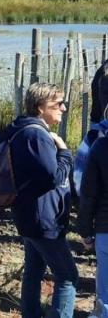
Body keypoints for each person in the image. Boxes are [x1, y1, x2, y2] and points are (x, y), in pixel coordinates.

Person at [5, 82, 76, 318]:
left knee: (34, 270)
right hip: (43, 219)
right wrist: (65, 152)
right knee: (68, 275)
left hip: (31, 214)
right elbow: (53, 176)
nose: (63, 108)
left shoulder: (24, 130)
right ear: (39, 107)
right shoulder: (35, 135)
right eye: (57, 104)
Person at [78, 127, 108, 317]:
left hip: (106, 227)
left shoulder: (100, 146)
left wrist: (85, 230)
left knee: (106, 293)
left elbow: (88, 193)